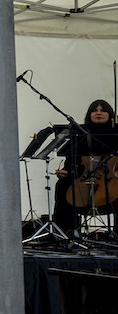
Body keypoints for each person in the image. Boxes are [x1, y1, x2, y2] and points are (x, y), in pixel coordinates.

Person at [52, 99, 118, 238]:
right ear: (89, 114)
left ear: (110, 115)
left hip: (110, 182)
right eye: (95, 110)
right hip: (84, 181)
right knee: (63, 185)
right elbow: (71, 163)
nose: (98, 113)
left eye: (103, 110)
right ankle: (65, 232)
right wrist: (67, 172)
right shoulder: (79, 135)